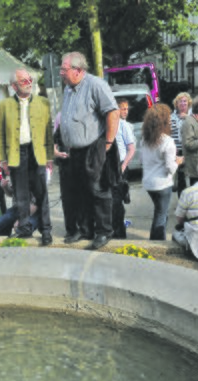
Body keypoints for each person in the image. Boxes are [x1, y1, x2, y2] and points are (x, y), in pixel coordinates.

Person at [59, 52, 120, 250]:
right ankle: (84, 229)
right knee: (79, 191)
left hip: (95, 146)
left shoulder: (96, 85)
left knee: (98, 190)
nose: (61, 73)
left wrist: (108, 143)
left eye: (64, 69)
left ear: (78, 70)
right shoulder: (68, 89)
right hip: (74, 150)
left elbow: (113, 112)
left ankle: (104, 231)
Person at [0, 69, 54, 245]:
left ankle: (46, 230)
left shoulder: (43, 103)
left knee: (41, 194)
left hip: (37, 153)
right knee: (20, 195)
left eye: (29, 79)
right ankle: (24, 228)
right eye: (24, 81)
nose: (29, 82)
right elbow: (1, 136)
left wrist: (50, 157)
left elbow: (48, 132)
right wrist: (3, 160)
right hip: (16, 153)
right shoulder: (4, 105)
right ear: (14, 86)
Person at [142, 103, 184, 240]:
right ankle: (158, 243)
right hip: (162, 184)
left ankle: (153, 240)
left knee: (158, 213)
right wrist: (178, 162)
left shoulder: (145, 139)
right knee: (161, 215)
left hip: (148, 183)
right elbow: (170, 168)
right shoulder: (168, 141)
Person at [112, 98, 136, 239]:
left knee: (118, 199)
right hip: (112, 164)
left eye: (127, 109)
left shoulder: (124, 126)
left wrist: (124, 165)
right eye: (123, 108)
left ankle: (120, 230)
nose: (125, 111)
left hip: (120, 164)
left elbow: (131, 149)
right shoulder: (113, 124)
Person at [171, 92, 192, 196]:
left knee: (193, 177)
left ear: (189, 103)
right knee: (181, 178)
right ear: (176, 104)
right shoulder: (171, 117)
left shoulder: (193, 117)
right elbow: (169, 134)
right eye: (180, 101)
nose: (183, 104)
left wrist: (188, 118)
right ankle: (182, 202)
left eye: (185, 101)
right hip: (178, 151)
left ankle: (193, 201)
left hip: (191, 150)